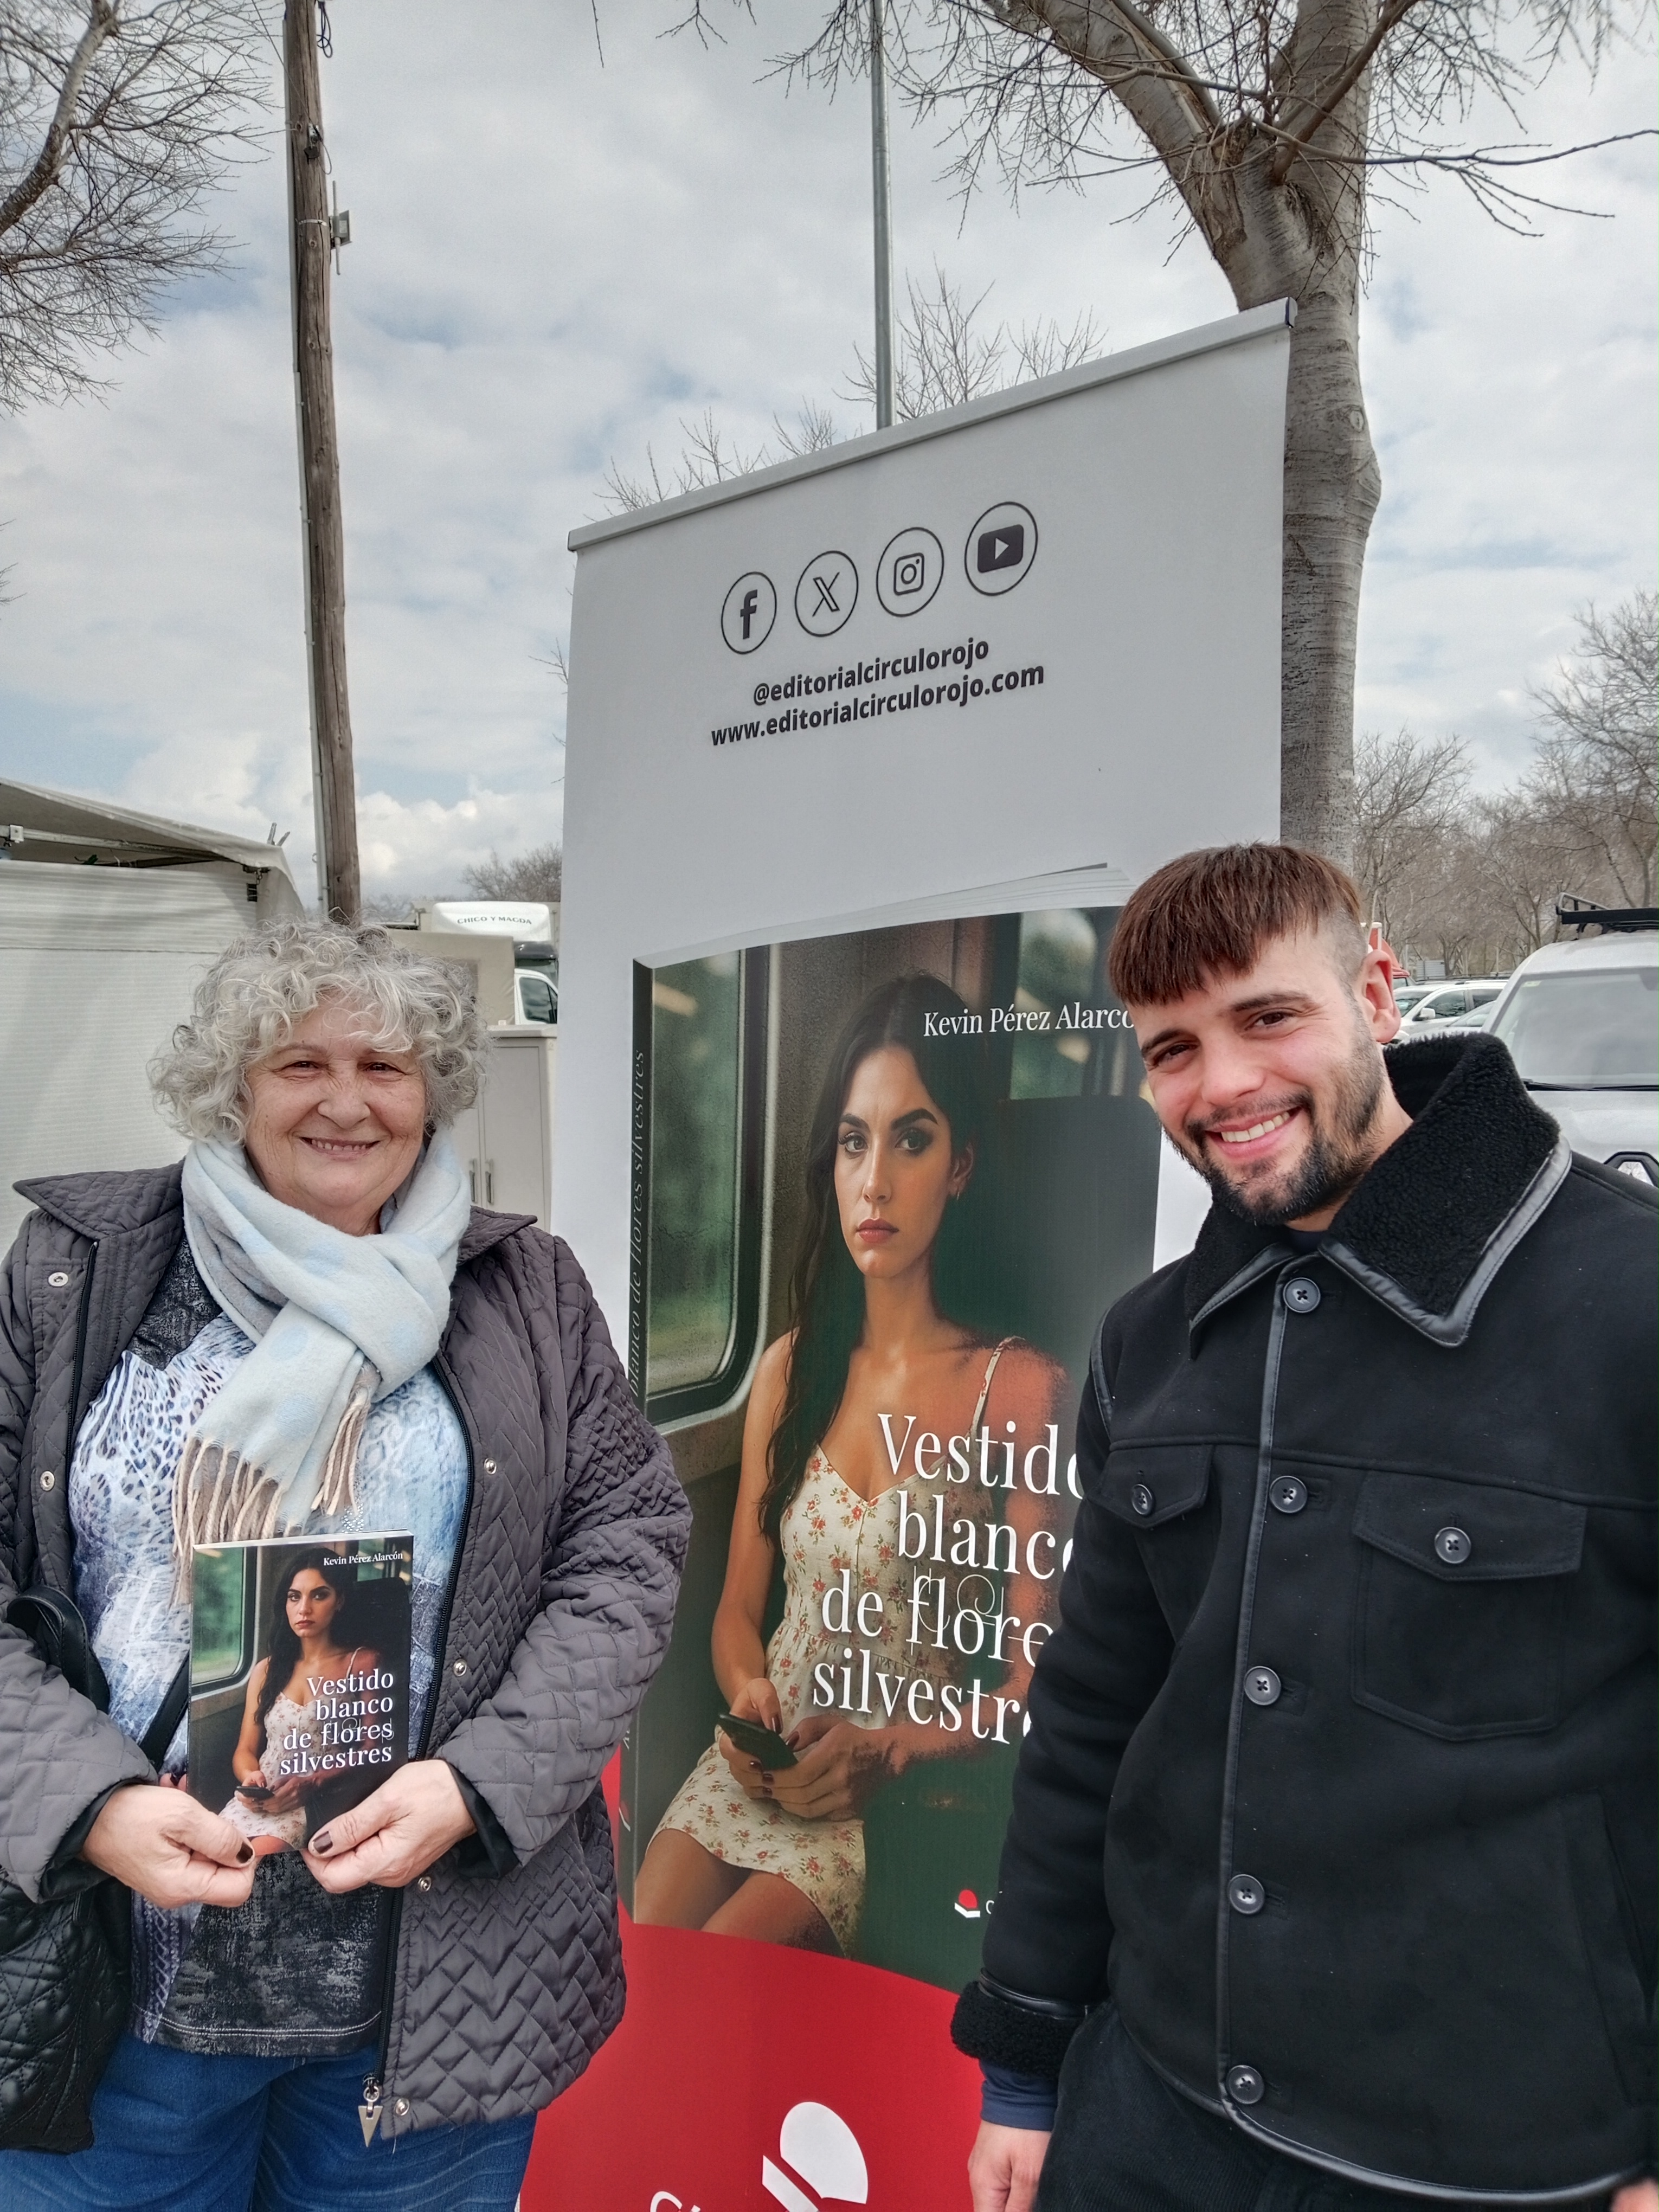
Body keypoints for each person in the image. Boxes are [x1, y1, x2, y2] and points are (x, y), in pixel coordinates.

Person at [954, 845, 1659, 2211]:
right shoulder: (1146, 1345)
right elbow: (1090, 1721)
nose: (1221, 1084)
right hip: (1151, 2113)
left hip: (1507, 2156)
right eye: (1172, 1047)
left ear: (1378, 990)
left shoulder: (1627, 1306)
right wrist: (1027, 2065)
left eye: (1266, 1017)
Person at [0, 918, 690, 2210]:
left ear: (430, 1087)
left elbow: (628, 1545)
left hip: (428, 1990)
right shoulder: (75, 1271)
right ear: (232, 1083)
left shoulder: (524, 1286)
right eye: (297, 1061)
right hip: (120, 1979)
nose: (346, 1098)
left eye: (385, 1063)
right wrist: (90, 1804)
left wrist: (481, 1782)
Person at [634, 973, 1066, 1955]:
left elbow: (1036, 1671)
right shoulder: (789, 1369)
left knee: (733, 1968)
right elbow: (742, 1615)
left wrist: (900, 1749)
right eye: (853, 1141)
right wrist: (748, 1698)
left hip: (881, 1796)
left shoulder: (1021, 1389)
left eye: (912, 1139)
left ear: (960, 1164)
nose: (875, 1181)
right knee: (646, 1948)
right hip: (756, 1762)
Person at [222, 1552, 380, 1854]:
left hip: (313, 1801)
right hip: (258, 1800)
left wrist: (314, 1782)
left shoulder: (361, 1662)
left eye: (319, 1595)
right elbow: (244, 1751)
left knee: (256, 1861)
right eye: (294, 1597)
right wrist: (250, 1778)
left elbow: (372, 1750)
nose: (304, 1609)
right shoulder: (266, 1669)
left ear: (340, 1601)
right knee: (214, 1853)